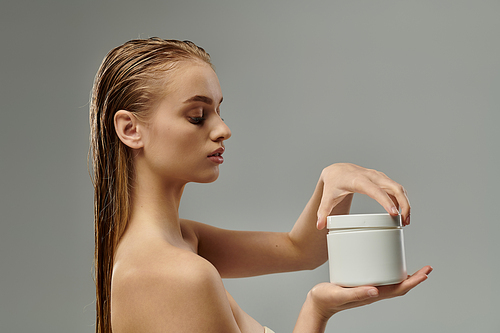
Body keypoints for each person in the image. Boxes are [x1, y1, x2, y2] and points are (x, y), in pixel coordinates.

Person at [89, 37, 432, 333]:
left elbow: (302, 251)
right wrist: (316, 310)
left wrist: (334, 181)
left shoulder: (182, 241)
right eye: (197, 116)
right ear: (130, 129)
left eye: (220, 111)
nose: (223, 129)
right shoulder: (175, 272)